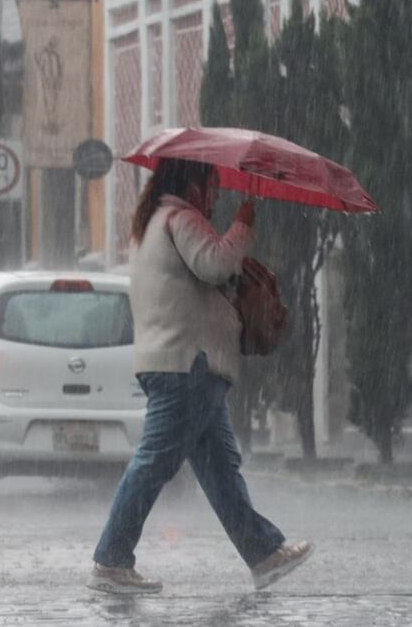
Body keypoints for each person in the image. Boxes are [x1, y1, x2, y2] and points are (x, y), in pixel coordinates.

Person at [88, 158, 313, 594]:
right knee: (154, 461)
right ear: (194, 186)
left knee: (220, 468)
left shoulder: (156, 221)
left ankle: (264, 554)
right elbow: (214, 264)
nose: (215, 197)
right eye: (213, 186)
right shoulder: (181, 218)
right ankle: (111, 559)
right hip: (187, 364)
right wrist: (242, 227)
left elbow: (197, 282)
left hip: (186, 365)